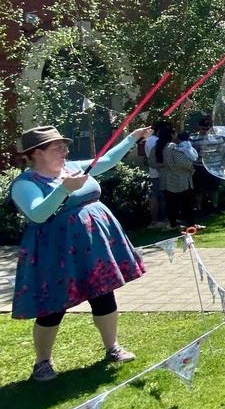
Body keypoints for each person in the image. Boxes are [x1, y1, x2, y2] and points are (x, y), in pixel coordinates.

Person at [10, 124, 151, 381]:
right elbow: (38, 213)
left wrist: (132, 138)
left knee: (103, 295)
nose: (65, 150)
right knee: (53, 307)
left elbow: (106, 160)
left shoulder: (72, 168)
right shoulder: (25, 183)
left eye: (64, 145)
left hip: (92, 246)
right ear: (37, 153)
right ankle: (42, 363)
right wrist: (64, 189)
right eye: (57, 146)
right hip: (56, 252)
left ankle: (112, 348)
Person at [192, 117, 224, 215]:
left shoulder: (217, 137)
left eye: (207, 128)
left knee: (214, 188)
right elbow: (191, 153)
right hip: (200, 167)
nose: (205, 130)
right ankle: (199, 208)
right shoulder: (193, 138)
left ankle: (215, 207)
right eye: (203, 128)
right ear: (199, 127)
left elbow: (222, 150)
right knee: (199, 189)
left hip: (214, 166)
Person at [144, 121, 171, 229]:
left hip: (154, 172)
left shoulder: (148, 140)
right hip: (159, 172)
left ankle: (160, 219)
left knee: (158, 195)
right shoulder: (156, 142)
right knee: (160, 196)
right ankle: (159, 220)